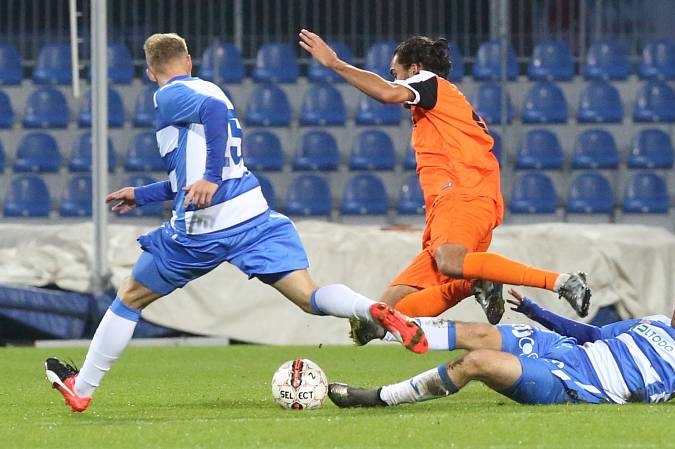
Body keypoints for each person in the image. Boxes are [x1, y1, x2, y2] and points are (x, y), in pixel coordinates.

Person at [44, 33, 427, 413]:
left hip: (205, 225)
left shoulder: (169, 95)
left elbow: (207, 149)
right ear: (189, 60)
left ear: (149, 73)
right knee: (309, 297)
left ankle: (84, 386)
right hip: (251, 213)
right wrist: (141, 194)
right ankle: (371, 309)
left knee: (129, 297)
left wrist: (210, 177)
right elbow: (186, 179)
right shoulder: (211, 89)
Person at [298, 30, 591, 328]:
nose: (393, 78)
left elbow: (387, 93)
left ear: (414, 70)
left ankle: (561, 282)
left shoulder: (430, 83)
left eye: (395, 72)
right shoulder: (443, 107)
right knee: (383, 316)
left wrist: (335, 63)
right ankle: (473, 284)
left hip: (462, 196)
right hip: (457, 204)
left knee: (451, 262)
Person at [328, 267, 675, 407]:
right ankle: (387, 330)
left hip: (582, 384)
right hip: (569, 349)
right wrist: (537, 312)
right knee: (480, 332)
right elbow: (592, 333)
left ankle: (381, 397)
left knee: (477, 362)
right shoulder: (656, 321)